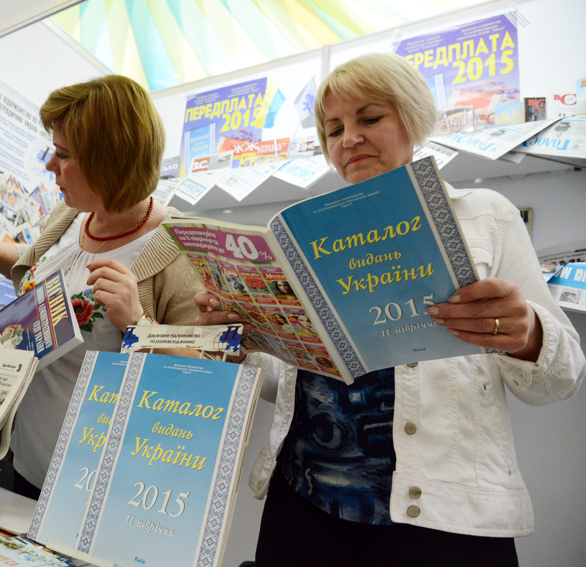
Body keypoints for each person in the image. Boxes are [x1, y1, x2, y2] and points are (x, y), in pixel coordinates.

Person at [194, 53, 585, 566]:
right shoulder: (301, 236)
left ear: (412, 118)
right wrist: (244, 344)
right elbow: (298, 381)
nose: (347, 138)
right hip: (302, 504)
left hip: (437, 524)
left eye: (369, 118)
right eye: (333, 128)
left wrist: (528, 333)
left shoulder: (486, 216)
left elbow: (561, 379)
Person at [0, 75, 204, 499]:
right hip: (24, 464)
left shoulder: (180, 247)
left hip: (98, 487)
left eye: (63, 155)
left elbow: (211, 372)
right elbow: (33, 268)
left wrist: (139, 324)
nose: (49, 165)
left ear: (108, 160)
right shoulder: (71, 217)